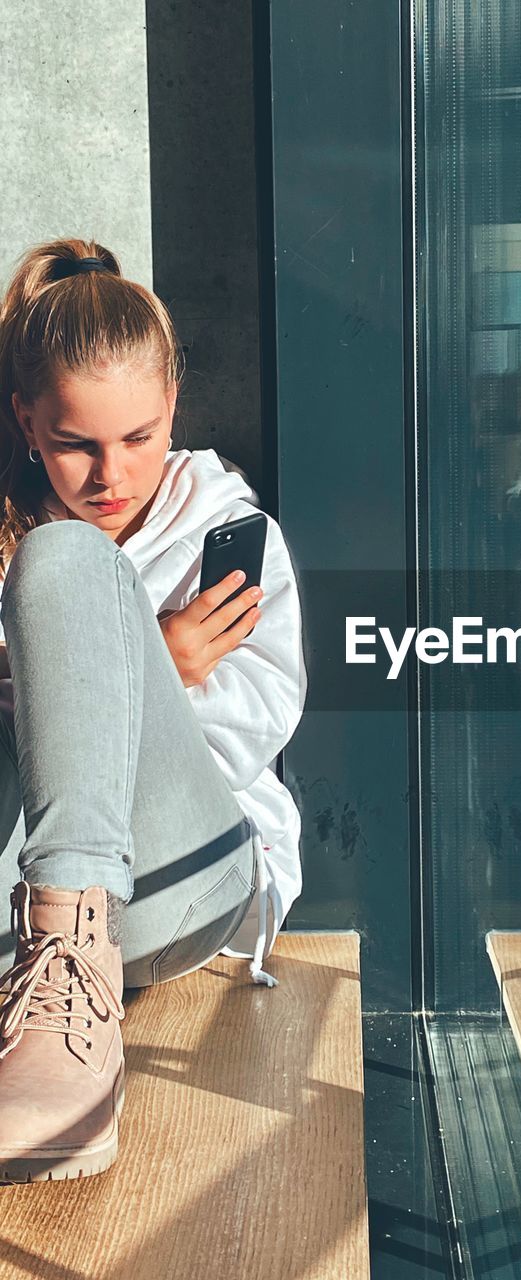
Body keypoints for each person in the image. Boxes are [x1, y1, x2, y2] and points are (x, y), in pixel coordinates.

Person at [0, 240, 305, 1182]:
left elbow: (252, 733)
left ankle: (73, 970)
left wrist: (148, 670)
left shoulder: (226, 534)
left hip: (185, 882)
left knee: (67, 561)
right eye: (75, 444)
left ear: (172, 403)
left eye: (138, 436)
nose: (110, 476)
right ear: (25, 422)